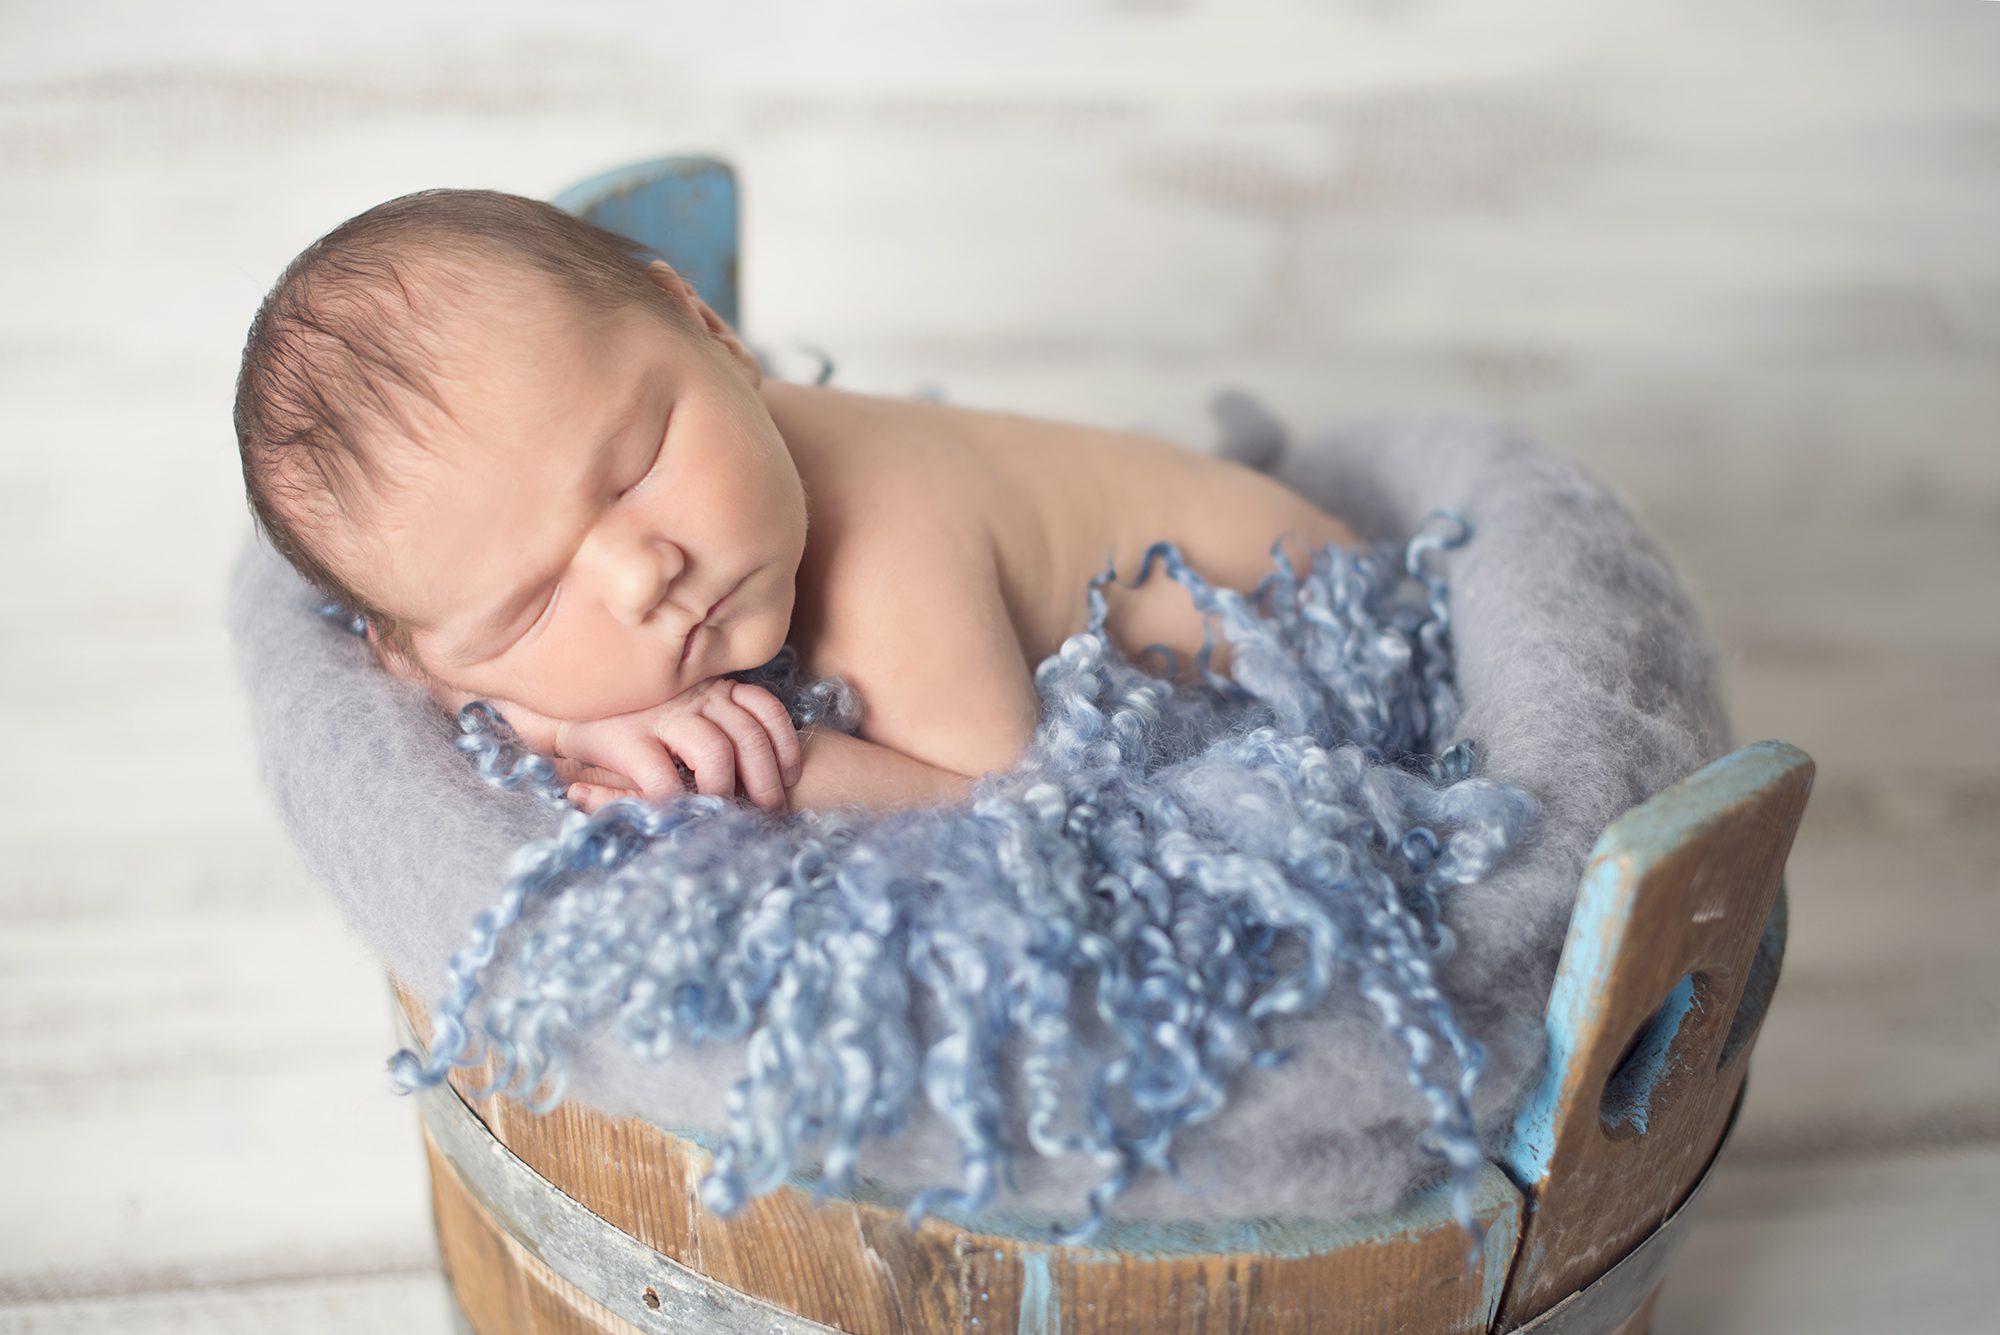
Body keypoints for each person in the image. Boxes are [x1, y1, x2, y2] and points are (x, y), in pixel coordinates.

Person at [234, 189, 1359, 816]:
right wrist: (579, 718)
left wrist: (747, 768)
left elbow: (1009, 805)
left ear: (713, 334)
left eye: (634, 466)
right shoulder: (443, 622)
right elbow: (418, 660)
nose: (638, 572)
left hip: (1312, 618)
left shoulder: (889, 552)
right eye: (532, 606)